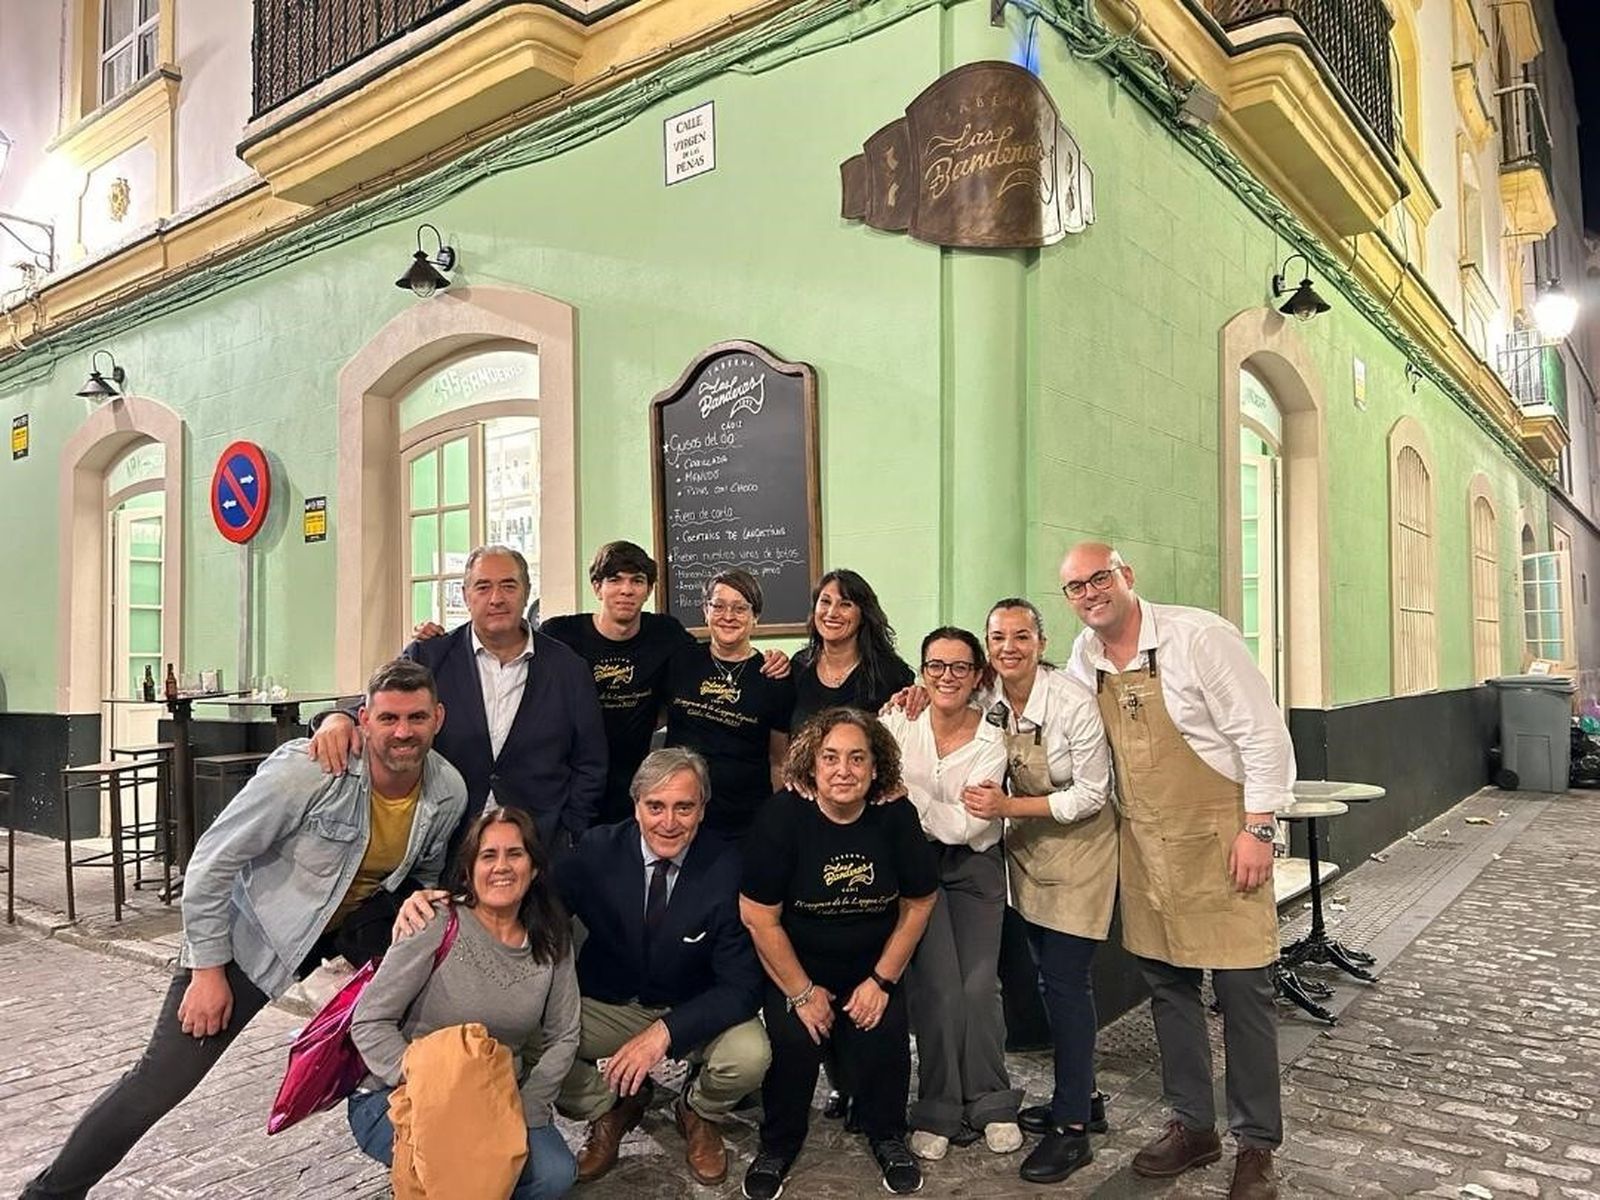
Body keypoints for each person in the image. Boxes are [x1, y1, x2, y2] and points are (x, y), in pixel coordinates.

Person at [21, 659, 468, 1200]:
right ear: (364, 719)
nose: (403, 732)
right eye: (389, 718)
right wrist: (206, 970)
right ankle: (49, 1194)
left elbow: (422, 875)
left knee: (438, 1026)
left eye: (416, 718)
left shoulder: (447, 790)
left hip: (349, 937)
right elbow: (212, 862)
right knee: (162, 1080)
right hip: (253, 940)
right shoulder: (311, 771)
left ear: (438, 718)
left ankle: (442, 1170)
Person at [1061, 542, 1291, 1200]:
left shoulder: (1200, 638)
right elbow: (1059, 720)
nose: (1090, 593)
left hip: (1221, 834)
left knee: (1244, 993)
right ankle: (1194, 1126)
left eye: (1099, 578)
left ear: (1126, 576)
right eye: (1076, 587)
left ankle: (1256, 1146)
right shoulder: (1084, 656)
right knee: (1168, 989)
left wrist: (1259, 828)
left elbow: (1262, 734)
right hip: (1144, 841)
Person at [739, 709, 939, 1200]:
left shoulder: (895, 815)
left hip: (871, 967)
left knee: (886, 1038)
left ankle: (888, 1137)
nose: (843, 770)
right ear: (811, 764)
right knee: (793, 1042)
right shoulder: (782, 817)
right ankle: (778, 1145)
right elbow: (758, 916)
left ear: (876, 766)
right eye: (830, 758)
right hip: (798, 967)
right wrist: (802, 993)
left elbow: (919, 902)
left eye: (857, 758)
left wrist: (883, 982)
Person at [552, 748, 769, 1186]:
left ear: (702, 809)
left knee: (750, 1056)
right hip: (610, 1002)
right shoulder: (596, 850)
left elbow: (743, 986)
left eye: (683, 807)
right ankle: (613, 1105)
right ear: (636, 806)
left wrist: (664, 1033)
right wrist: (449, 904)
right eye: (655, 806)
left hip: (693, 1006)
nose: (668, 822)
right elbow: (535, 910)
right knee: (529, 1042)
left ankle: (697, 1110)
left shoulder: (728, 867)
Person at [311, 544, 606, 856]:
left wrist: (571, 831)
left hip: (539, 847)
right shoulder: (429, 657)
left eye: (508, 586)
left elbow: (591, 761)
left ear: (526, 592)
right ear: (466, 595)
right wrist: (337, 719)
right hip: (444, 846)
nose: (496, 598)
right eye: (483, 587)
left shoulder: (568, 668)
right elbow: (378, 708)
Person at [348, 806, 580, 1200]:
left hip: (497, 1095)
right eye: (488, 855)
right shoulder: (435, 921)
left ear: (534, 868)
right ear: (469, 870)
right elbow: (370, 1021)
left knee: (554, 1174)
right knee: (468, 1172)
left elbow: (564, 1035)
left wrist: (526, 1106)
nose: (501, 866)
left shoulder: (551, 940)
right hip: (404, 1092)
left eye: (515, 854)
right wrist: (431, 1085)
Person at [962, 598, 1116, 1184]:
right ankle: (1085, 1096)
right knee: (1049, 981)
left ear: (1041, 644)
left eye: (1021, 636)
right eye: (998, 637)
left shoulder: (1071, 701)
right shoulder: (987, 698)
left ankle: (1072, 1130)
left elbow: (1092, 794)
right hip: (1027, 854)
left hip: (1081, 853)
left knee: (1067, 984)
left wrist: (1008, 807)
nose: (1009, 648)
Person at [879, 626, 1022, 1162]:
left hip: (975, 868)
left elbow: (968, 827)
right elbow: (875, 785)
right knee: (938, 990)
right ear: (922, 672)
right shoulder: (897, 721)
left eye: (960, 667)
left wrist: (907, 798)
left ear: (978, 675)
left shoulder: (993, 738)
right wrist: (924, 807)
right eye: (936, 666)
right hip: (913, 870)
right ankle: (937, 1106)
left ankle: (990, 1099)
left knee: (979, 987)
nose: (947, 676)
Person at [541, 541, 788, 826]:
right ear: (597, 587)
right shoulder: (559, 635)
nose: (626, 590)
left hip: (638, 787)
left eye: (637, 581)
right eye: (615, 580)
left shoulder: (666, 636)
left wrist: (775, 658)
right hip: (570, 782)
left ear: (649, 590)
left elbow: (719, 655)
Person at [663, 569, 795, 839]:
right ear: (705, 611)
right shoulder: (679, 660)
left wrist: (778, 821)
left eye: (740, 608)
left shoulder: (774, 676)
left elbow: (778, 760)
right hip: (679, 813)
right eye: (718, 606)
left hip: (744, 820)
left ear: (756, 616)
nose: (728, 616)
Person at [790, 569, 914, 726]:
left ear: (863, 615)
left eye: (845, 604)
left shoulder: (891, 674)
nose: (832, 613)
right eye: (825, 602)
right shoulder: (799, 666)